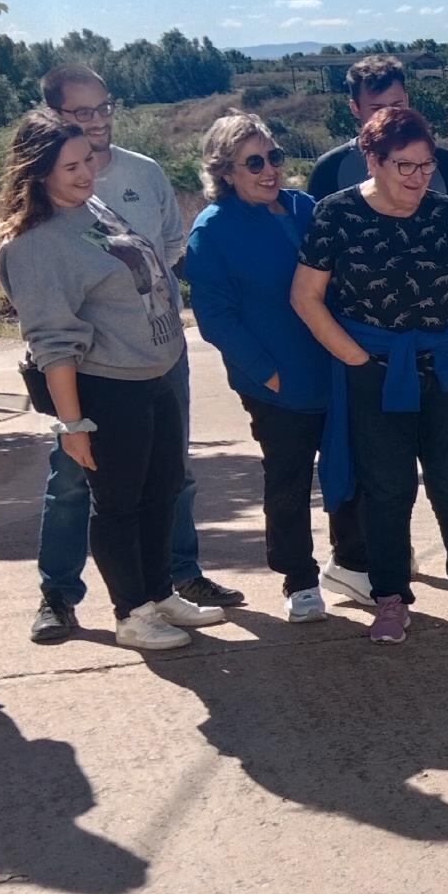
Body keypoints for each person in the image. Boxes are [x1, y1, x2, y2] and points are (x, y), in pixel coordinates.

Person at [26, 64, 241, 645]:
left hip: (157, 365)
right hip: (106, 380)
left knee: (163, 484)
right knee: (99, 495)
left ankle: (162, 590)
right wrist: (71, 421)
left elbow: (165, 249)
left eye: (103, 109)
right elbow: (53, 335)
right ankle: (99, 605)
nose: (88, 167)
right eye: (80, 117)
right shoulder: (39, 236)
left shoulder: (111, 195)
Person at [290, 105, 448, 644]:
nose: (417, 178)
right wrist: (355, 361)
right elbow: (306, 296)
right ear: (372, 159)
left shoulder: (442, 213)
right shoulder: (335, 214)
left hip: (444, 369)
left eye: (426, 165)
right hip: (374, 374)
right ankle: (389, 597)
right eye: (404, 166)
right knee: (387, 490)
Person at [183, 113, 369, 623]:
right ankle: (299, 580)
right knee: (287, 482)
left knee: (347, 469)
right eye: (254, 163)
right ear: (225, 172)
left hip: (332, 367)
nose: (269, 171)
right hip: (277, 385)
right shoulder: (213, 230)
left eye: (274, 158)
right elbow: (216, 318)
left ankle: (351, 562)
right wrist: (267, 373)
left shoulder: (305, 207)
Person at [308, 54, 448, 248]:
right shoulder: (329, 169)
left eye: (397, 106)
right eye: (377, 109)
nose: (388, 116)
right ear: (355, 108)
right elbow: (317, 252)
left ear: (407, 101)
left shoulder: (446, 163)